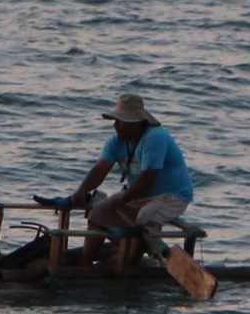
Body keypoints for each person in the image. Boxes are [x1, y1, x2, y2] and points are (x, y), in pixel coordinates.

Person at [69, 93, 194, 267]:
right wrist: (82, 189)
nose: (115, 125)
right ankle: (85, 263)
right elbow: (100, 169)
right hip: (139, 195)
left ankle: (124, 265)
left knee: (144, 218)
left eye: (120, 121)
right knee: (98, 213)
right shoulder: (116, 142)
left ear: (136, 123)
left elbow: (148, 177)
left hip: (171, 196)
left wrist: (122, 199)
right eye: (115, 120)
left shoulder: (155, 137)